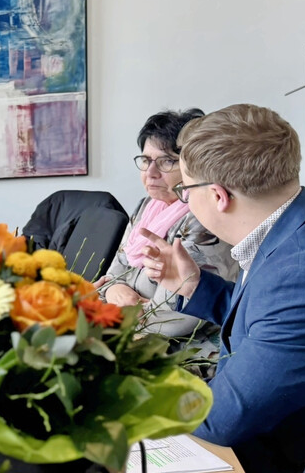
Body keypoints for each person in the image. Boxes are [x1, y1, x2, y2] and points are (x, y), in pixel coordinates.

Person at [139, 104, 305, 473]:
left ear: (217, 196)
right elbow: (268, 320)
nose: (182, 199)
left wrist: (124, 373)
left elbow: (220, 420)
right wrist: (193, 286)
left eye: (184, 189)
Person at [96, 109, 238, 342]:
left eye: (167, 161)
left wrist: (117, 301)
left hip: (183, 351)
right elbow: (109, 278)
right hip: (131, 334)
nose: (151, 173)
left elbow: (171, 319)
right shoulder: (147, 207)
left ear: (193, 166)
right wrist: (113, 291)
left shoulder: (205, 217)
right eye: (146, 160)